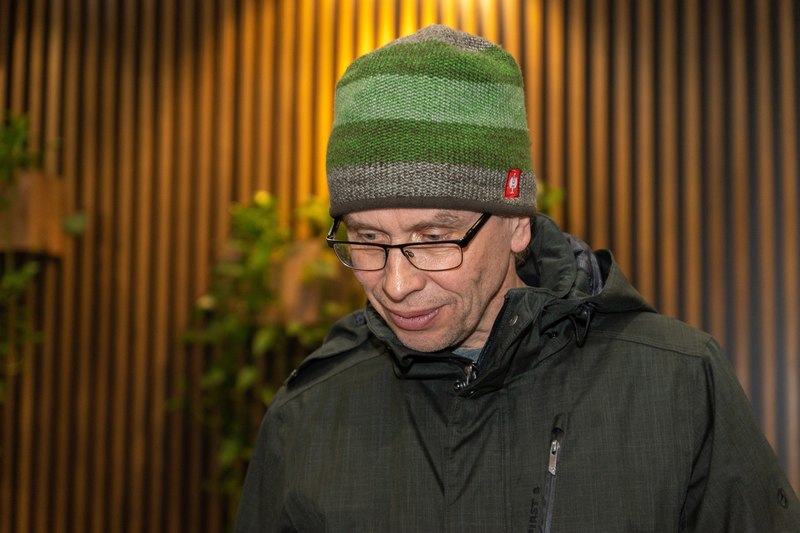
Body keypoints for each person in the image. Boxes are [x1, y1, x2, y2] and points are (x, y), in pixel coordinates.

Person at [234, 25, 800, 532]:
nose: (397, 284)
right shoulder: (306, 415)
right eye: (369, 240)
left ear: (516, 225)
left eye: (434, 238)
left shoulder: (677, 384)